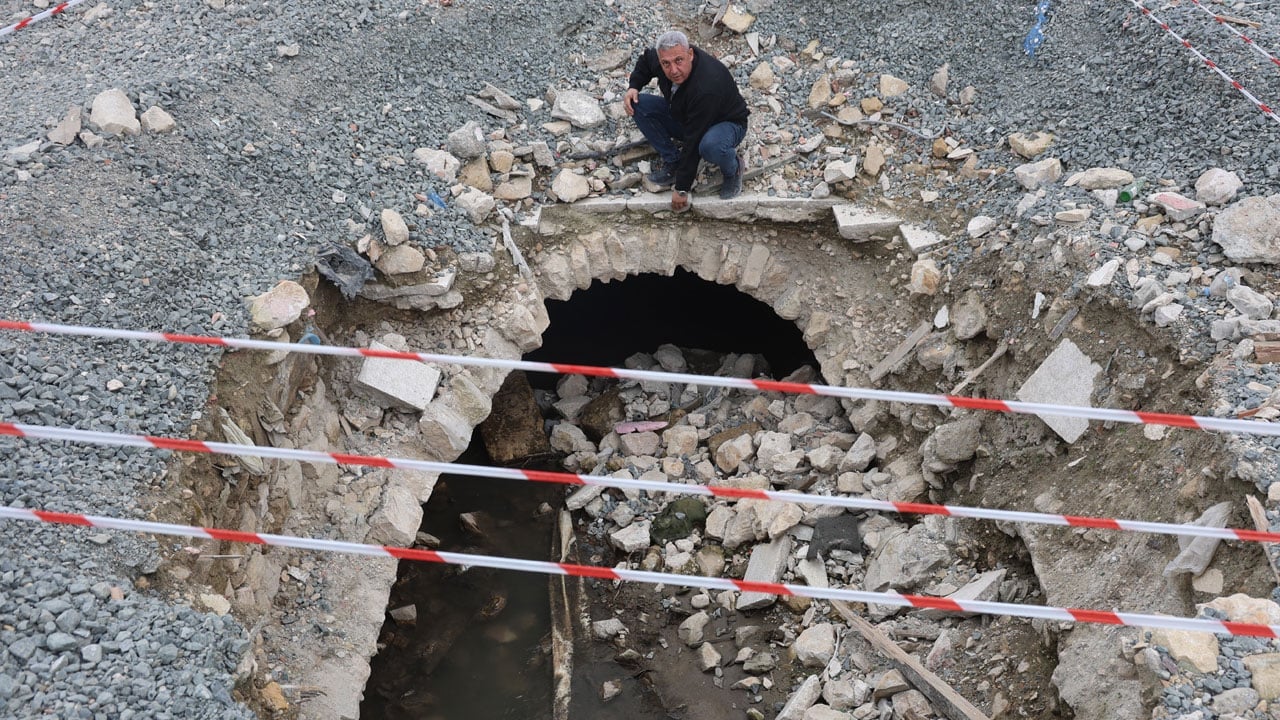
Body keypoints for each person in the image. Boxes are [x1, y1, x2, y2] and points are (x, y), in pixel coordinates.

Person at [624, 30, 750, 211]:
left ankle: (734, 167)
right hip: (686, 115)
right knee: (637, 104)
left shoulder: (707, 85)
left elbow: (694, 138)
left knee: (709, 146)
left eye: (679, 61)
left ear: (690, 54)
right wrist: (633, 86)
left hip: (727, 123)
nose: (673, 70)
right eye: (666, 64)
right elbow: (645, 61)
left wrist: (682, 188)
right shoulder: (664, 57)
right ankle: (673, 161)